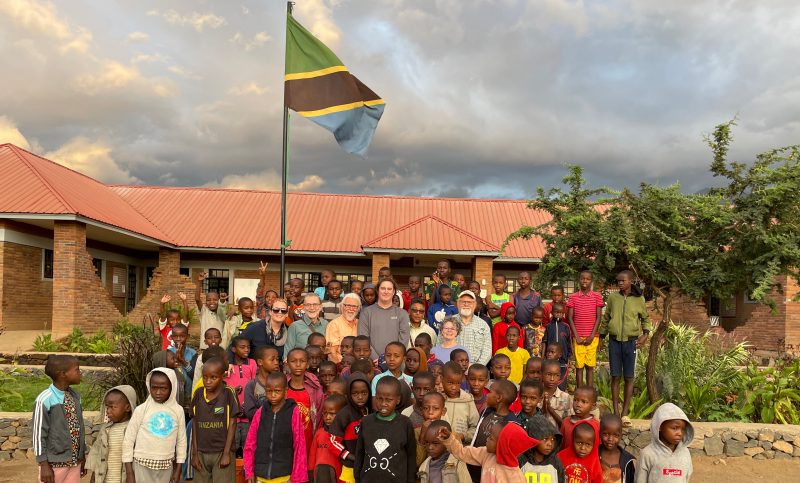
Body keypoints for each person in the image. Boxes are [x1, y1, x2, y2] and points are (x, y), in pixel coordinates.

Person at [600, 270, 652, 424]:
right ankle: (616, 411)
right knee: (615, 376)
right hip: (614, 341)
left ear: (630, 281)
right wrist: (601, 337)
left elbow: (645, 318)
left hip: (632, 342)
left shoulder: (639, 299)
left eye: (623, 281)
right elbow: (607, 317)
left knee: (629, 377)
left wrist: (645, 335)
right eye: (618, 281)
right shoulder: (613, 298)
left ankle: (625, 413)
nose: (620, 283)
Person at [123, 368, 186, 483]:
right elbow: (128, 440)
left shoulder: (178, 411)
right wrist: (129, 473)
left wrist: (178, 470)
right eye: (154, 388)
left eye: (163, 388)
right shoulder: (141, 410)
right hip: (142, 465)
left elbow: (181, 441)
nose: (158, 392)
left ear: (172, 388)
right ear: (149, 386)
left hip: (166, 466)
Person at [243, 371, 308, 483]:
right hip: (261, 476)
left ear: (285, 392)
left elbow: (299, 445)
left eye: (277, 391)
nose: (273, 395)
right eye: (269, 391)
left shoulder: (293, 412)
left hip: (284, 476)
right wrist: (249, 472)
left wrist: (298, 477)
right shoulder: (260, 412)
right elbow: (250, 443)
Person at [34, 355, 86, 483]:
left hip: (74, 462)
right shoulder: (45, 400)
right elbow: (38, 435)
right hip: (53, 464)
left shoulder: (75, 397)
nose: (80, 373)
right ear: (63, 374)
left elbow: (80, 428)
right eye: (77, 370)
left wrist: (82, 456)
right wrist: (43, 464)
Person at [354, 377, 416, 483]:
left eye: (389, 400)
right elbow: (360, 452)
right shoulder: (366, 422)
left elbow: (411, 455)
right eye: (379, 398)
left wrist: (410, 479)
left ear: (398, 399)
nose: (383, 403)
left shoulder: (405, 423)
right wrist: (357, 477)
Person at [437, 420, 539, 483]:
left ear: (502, 446)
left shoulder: (516, 478)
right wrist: (449, 438)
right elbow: (462, 452)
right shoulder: (486, 454)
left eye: (491, 438)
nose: (487, 439)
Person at [190, 357, 238, 483]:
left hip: (222, 451)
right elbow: (194, 424)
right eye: (205, 377)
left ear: (222, 376)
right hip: (201, 452)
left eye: (213, 377)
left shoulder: (228, 393)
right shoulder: (198, 394)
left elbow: (233, 423)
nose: (208, 381)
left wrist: (227, 453)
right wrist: (194, 453)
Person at [86, 385, 137, 483]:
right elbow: (97, 455)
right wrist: (93, 479)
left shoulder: (134, 430)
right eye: (107, 407)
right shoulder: (105, 430)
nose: (108, 411)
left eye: (112, 407)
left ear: (127, 407)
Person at [330, 373, 372, 483]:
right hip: (350, 466)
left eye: (364, 393)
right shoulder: (344, 415)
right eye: (355, 393)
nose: (360, 397)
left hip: (369, 464)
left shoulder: (372, 411)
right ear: (349, 394)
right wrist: (349, 456)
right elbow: (333, 441)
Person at [636, 403, 693, 483]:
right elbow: (640, 480)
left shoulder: (685, 453)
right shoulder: (648, 454)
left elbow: (686, 477)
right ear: (660, 427)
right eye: (674, 428)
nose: (679, 433)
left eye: (683, 429)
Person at [567, 270, 604, 387]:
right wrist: (576, 336)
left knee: (589, 366)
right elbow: (570, 317)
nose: (585, 281)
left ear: (591, 281)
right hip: (578, 337)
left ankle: (589, 391)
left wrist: (592, 335)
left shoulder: (597, 296)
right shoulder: (573, 297)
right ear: (579, 280)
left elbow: (599, 317)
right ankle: (579, 392)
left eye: (587, 279)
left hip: (592, 337)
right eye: (583, 278)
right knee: (579, 366)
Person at [358, 278, 410, 360]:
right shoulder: (366, 313)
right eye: (383, 288)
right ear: (377, 291)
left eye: (389, 289)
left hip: (395, 362)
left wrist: (391, 359)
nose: (386, 291)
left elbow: (403, 341)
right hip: (372, 362)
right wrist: (377, 359)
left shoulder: (402, 314)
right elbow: (363, 339)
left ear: (393, 292)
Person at [285, 348, 324, 457]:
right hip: (286, 440)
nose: (298, 365)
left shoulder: (315, 389)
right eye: (293, 361)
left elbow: (320, 416)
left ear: (307, 364)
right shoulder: (282, 388)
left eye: (302, 361)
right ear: (287, 364)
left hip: (309, 440)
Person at [224, 336, 257, 455]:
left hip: (246, 413)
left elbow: (254, 386)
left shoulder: (252, 363)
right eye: (242, 347)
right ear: (233, 349)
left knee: (247, 446)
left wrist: (247, 406)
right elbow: (223, 387)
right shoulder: (226, 366)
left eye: (248, 347)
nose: (246, 350)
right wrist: (233, 392)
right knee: (233, 445)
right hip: (231, 414)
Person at [441, 291, 492, 365]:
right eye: (463, 302)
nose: (466, 304)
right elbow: (440, 344)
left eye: (469, 302)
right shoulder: (448, 322)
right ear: (458, 304)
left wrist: (475, 368)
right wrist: (449, 367)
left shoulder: (483, 325)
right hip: (451, 370)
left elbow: (487, 350)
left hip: (474, 371)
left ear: (474, 305)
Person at [309, 394, 347, 483]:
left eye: (332, 414)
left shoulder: (343, 435)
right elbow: (312, 456)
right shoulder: (319, 433)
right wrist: (310, 473)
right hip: (318, 475)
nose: (327, 417)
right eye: (325, 413)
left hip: (338, 477)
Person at [518, 414, 565, 483]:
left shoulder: (556, 463)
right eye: (545, 439)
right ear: (533, 438)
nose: (550, 444)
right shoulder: (521, 461)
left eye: (553, 439)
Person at [440, 362, 479, 444]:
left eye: (458, 383)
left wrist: (463, 436)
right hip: (439, 446)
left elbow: (475, 426)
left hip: (461, 449)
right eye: (450, 383)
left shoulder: (467, 400)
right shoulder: (437, 399)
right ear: (441, 379)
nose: (454, 387)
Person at [284, 293, 329, 358]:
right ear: (304, 307)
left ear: (320, 307)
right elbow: (287, 353)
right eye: (308, 305)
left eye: (315, 304)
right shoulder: (295, 326)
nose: (312, 308)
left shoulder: (326, 324)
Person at [242, 345, 281, 420]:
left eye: (277, 359)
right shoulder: (252, 385)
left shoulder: (281, 382)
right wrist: (272, 412)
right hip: (259, 429)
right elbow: (249, 413)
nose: (276, 363)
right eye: (272, 360)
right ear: (260, 362)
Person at [560, 386, 600, 454]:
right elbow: (561, 445)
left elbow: (597, 449)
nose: (578, 405)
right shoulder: (566, 422)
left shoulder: (596, 425)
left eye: (584, 402)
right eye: (575, 400)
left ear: (593, 406)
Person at [195, 271, 228, 349]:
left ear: (218, 300)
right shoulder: (204, 311)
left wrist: (223, 301)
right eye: (209, 300)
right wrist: (200, 281)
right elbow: (197, 299)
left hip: (220, 348)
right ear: (205, 302)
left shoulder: (222, 313)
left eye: (215, 300)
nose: (211, 302)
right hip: (205, 347)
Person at [599, 414, 636, 483]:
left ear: (621, 436)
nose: (610, 439)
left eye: (615, 435)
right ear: (600, 433)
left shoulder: (627, 460)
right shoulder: (594, 455)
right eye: (606, 434)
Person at [543, 302, 572, 391]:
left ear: (563, 313)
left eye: (560, 312)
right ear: (552, 312)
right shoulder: (548, 327)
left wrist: (569, 356)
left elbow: (569, 342)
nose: (558, 314)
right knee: (550, 380)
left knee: (561, 382)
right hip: (550, 359)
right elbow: (545, 342)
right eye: (556, 312)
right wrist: (543, 356)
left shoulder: (566, 327)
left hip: (563, 360)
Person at [326, 292, 361, 364]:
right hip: (341, 365)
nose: (351, 309)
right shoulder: (334, 324)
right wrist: (340, 368)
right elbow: (332, 352)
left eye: (354, 306)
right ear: (342, 307)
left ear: (358, 309)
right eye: (348, 305)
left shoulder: (360, 323)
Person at [540, 359, 572, 429]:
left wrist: (550, 410)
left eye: (556, 375)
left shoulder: (566, 398)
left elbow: (567, 427)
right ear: (541, 374)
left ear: (560, 376)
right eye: (548, 374)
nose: (552, 379)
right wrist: (543, 409)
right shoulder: (535, 396)